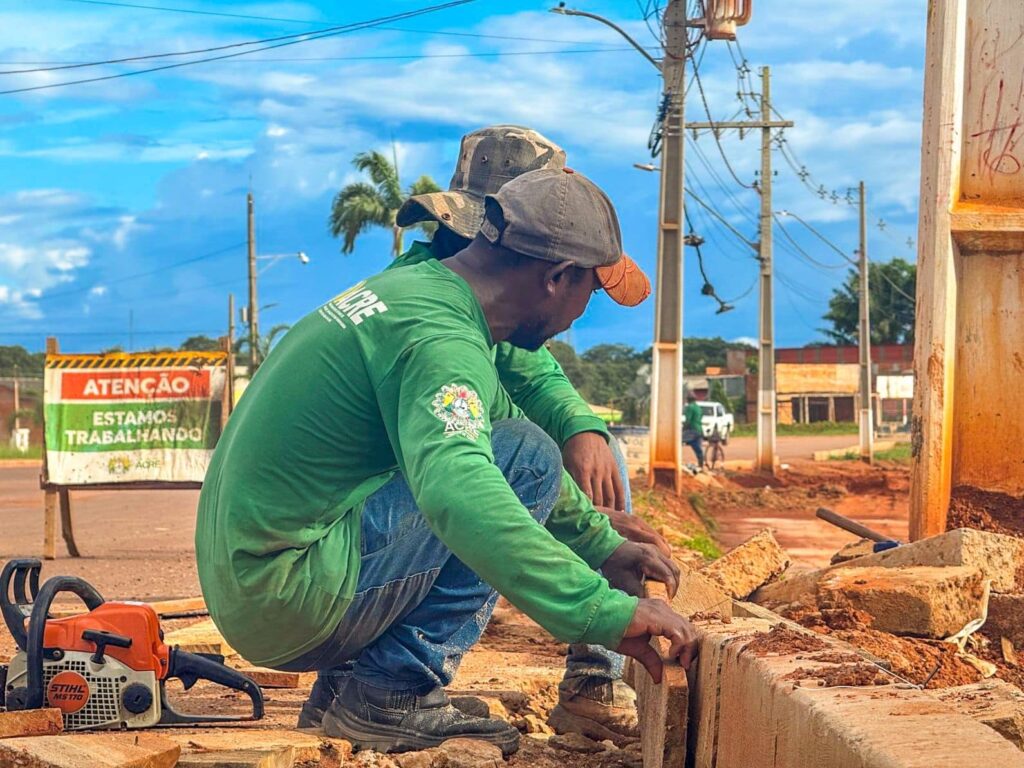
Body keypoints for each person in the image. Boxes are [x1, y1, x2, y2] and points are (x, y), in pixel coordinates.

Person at [195, 168, 698, 757]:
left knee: (518, 448)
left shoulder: (424, 296)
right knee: (514, 461)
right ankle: (391, 695)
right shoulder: (441, 339)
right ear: (558, 277)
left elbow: (506, 433)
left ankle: (345, 694)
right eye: (592, 292)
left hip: (259, 580)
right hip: (287, 593)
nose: (582, 314)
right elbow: (467, 489)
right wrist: (602, 611)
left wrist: (600, 545)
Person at [391, 124, 666, 743]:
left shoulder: (483, 293)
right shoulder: (440, 302)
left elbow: (534, 373)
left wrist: (580, 428)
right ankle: (392, 683)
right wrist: (598, 598)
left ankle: (593, 677)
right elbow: (465, 481)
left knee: (591, 454)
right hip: (386, 504)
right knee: (500, 480)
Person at [684, 395, 705, 468]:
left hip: (692, 429)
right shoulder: (698, 408)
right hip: (699, 429)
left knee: (680, 440)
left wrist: (684, 428)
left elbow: (688, 420)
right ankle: (701, 464)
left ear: (688, 400)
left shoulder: (690, 407)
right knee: (697, 446)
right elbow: (701, 417)